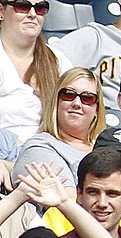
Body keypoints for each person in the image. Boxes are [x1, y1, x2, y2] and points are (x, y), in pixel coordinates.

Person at [13, 67, 106, 198]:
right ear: (56, 102)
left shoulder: (108, 148)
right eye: (68, 94)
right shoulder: (39, 147)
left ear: (97, 110)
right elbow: (66, 201)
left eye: (87, 98)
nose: (77, 103)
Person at [0, 0, 71, 144]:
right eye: (22, 6)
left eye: (40, 7)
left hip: (46, 156)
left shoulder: (57, 60)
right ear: (1, 11)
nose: (32, 14)